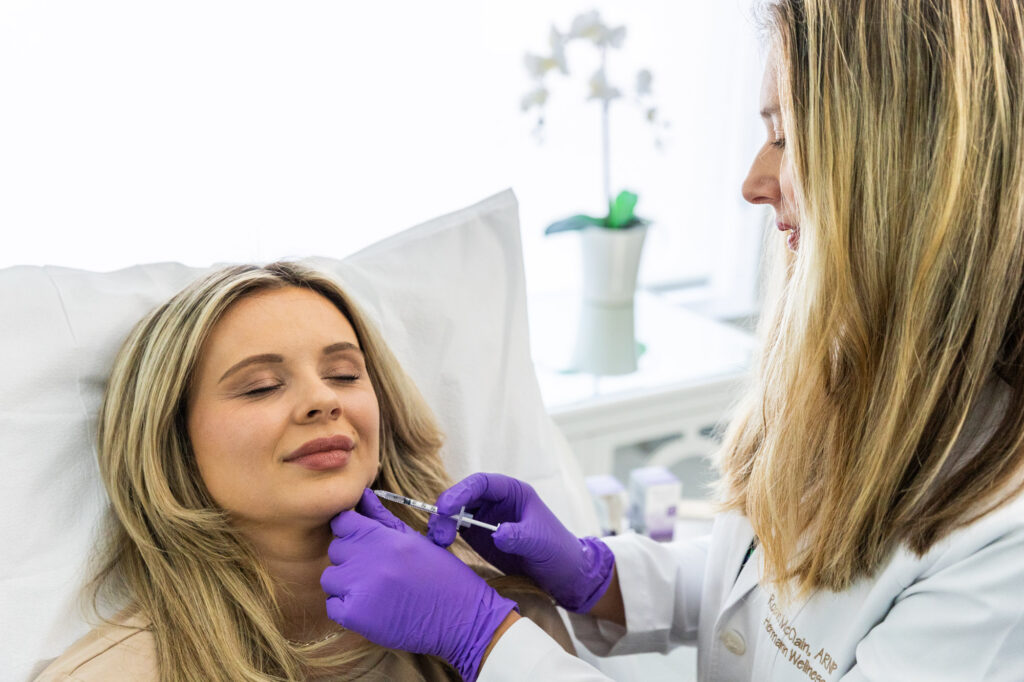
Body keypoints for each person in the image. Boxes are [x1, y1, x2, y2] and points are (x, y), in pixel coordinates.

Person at [319, 1, 1024, 680]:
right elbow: (764, 589)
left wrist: (486, 640)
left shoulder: (1004, 549)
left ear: (902, 170)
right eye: (258, 384)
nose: (752, 182)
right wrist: (596, 574)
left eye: (785, 137)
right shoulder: (866, 373)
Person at [36, 262, 575, 681]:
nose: (321, 399)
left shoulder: (505, 617)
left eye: (343, 374)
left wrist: (491, 629)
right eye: (261, 386)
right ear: (173, 442)